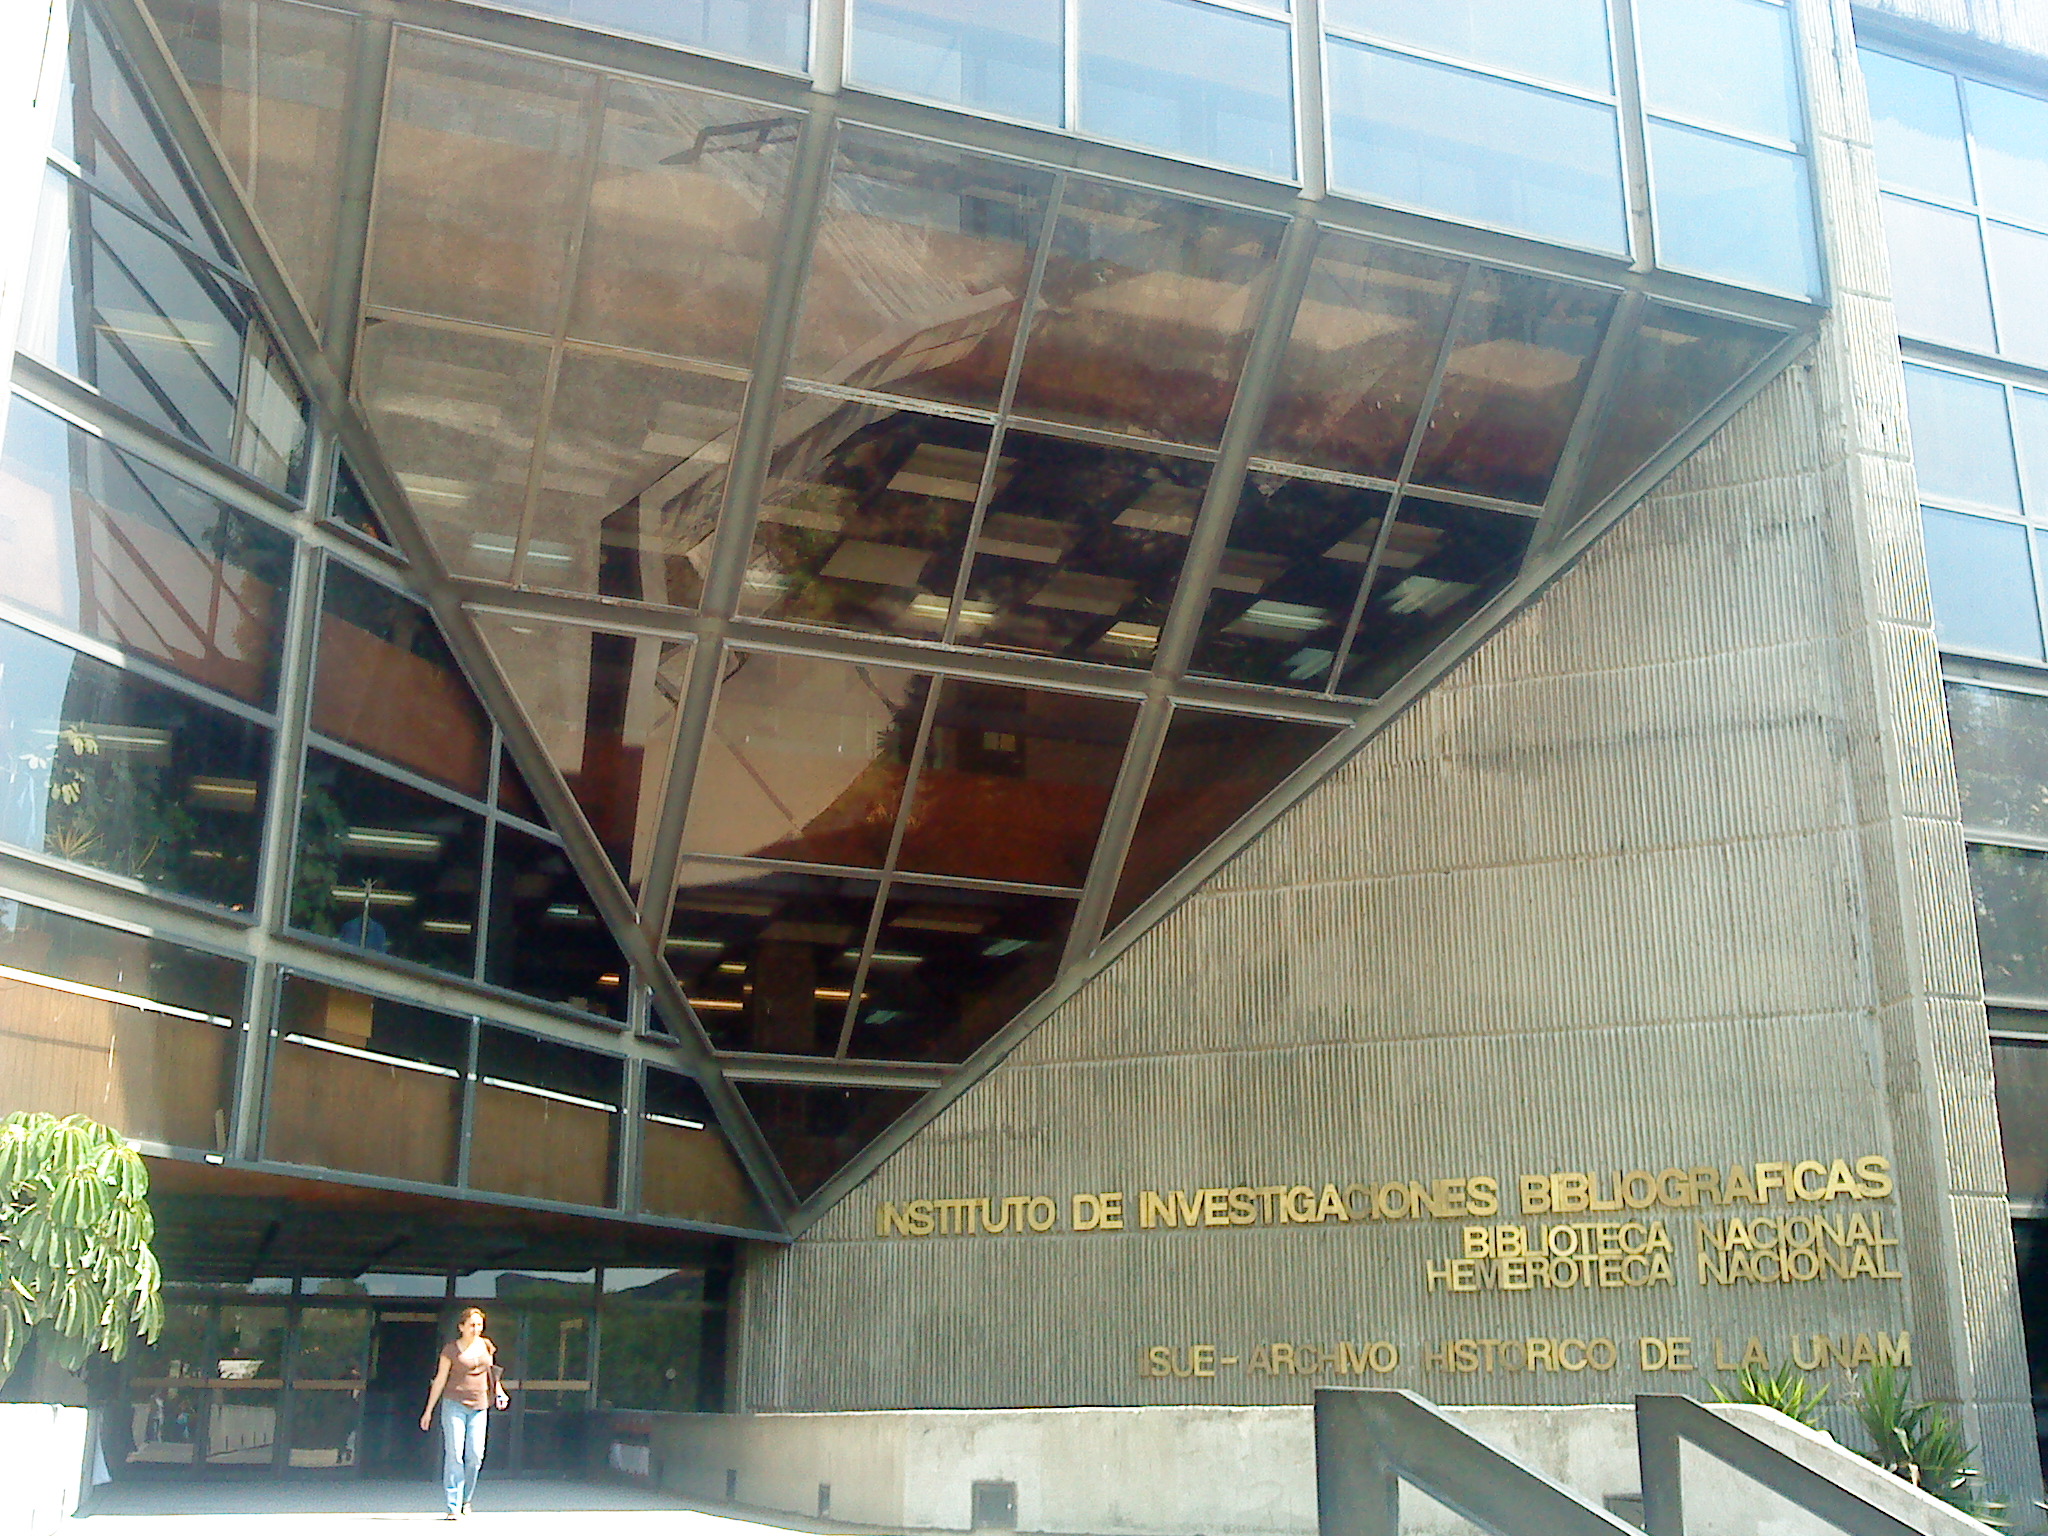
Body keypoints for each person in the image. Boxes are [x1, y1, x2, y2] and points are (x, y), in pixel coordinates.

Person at [419, 1307, 509, 1519]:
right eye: (472, 1325)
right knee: (455, 1455)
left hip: (480, 1406)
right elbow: (440, 1379)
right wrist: (428, 1410)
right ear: (461, 1327)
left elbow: (491, 1374)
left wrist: (499, 1392)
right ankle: (453, 1505)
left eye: (479, 1325)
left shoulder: (487, 1345)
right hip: (454, 1404)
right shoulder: (451, 1350)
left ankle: (466, 1499)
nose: (476, 1329)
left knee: (476, 1455)